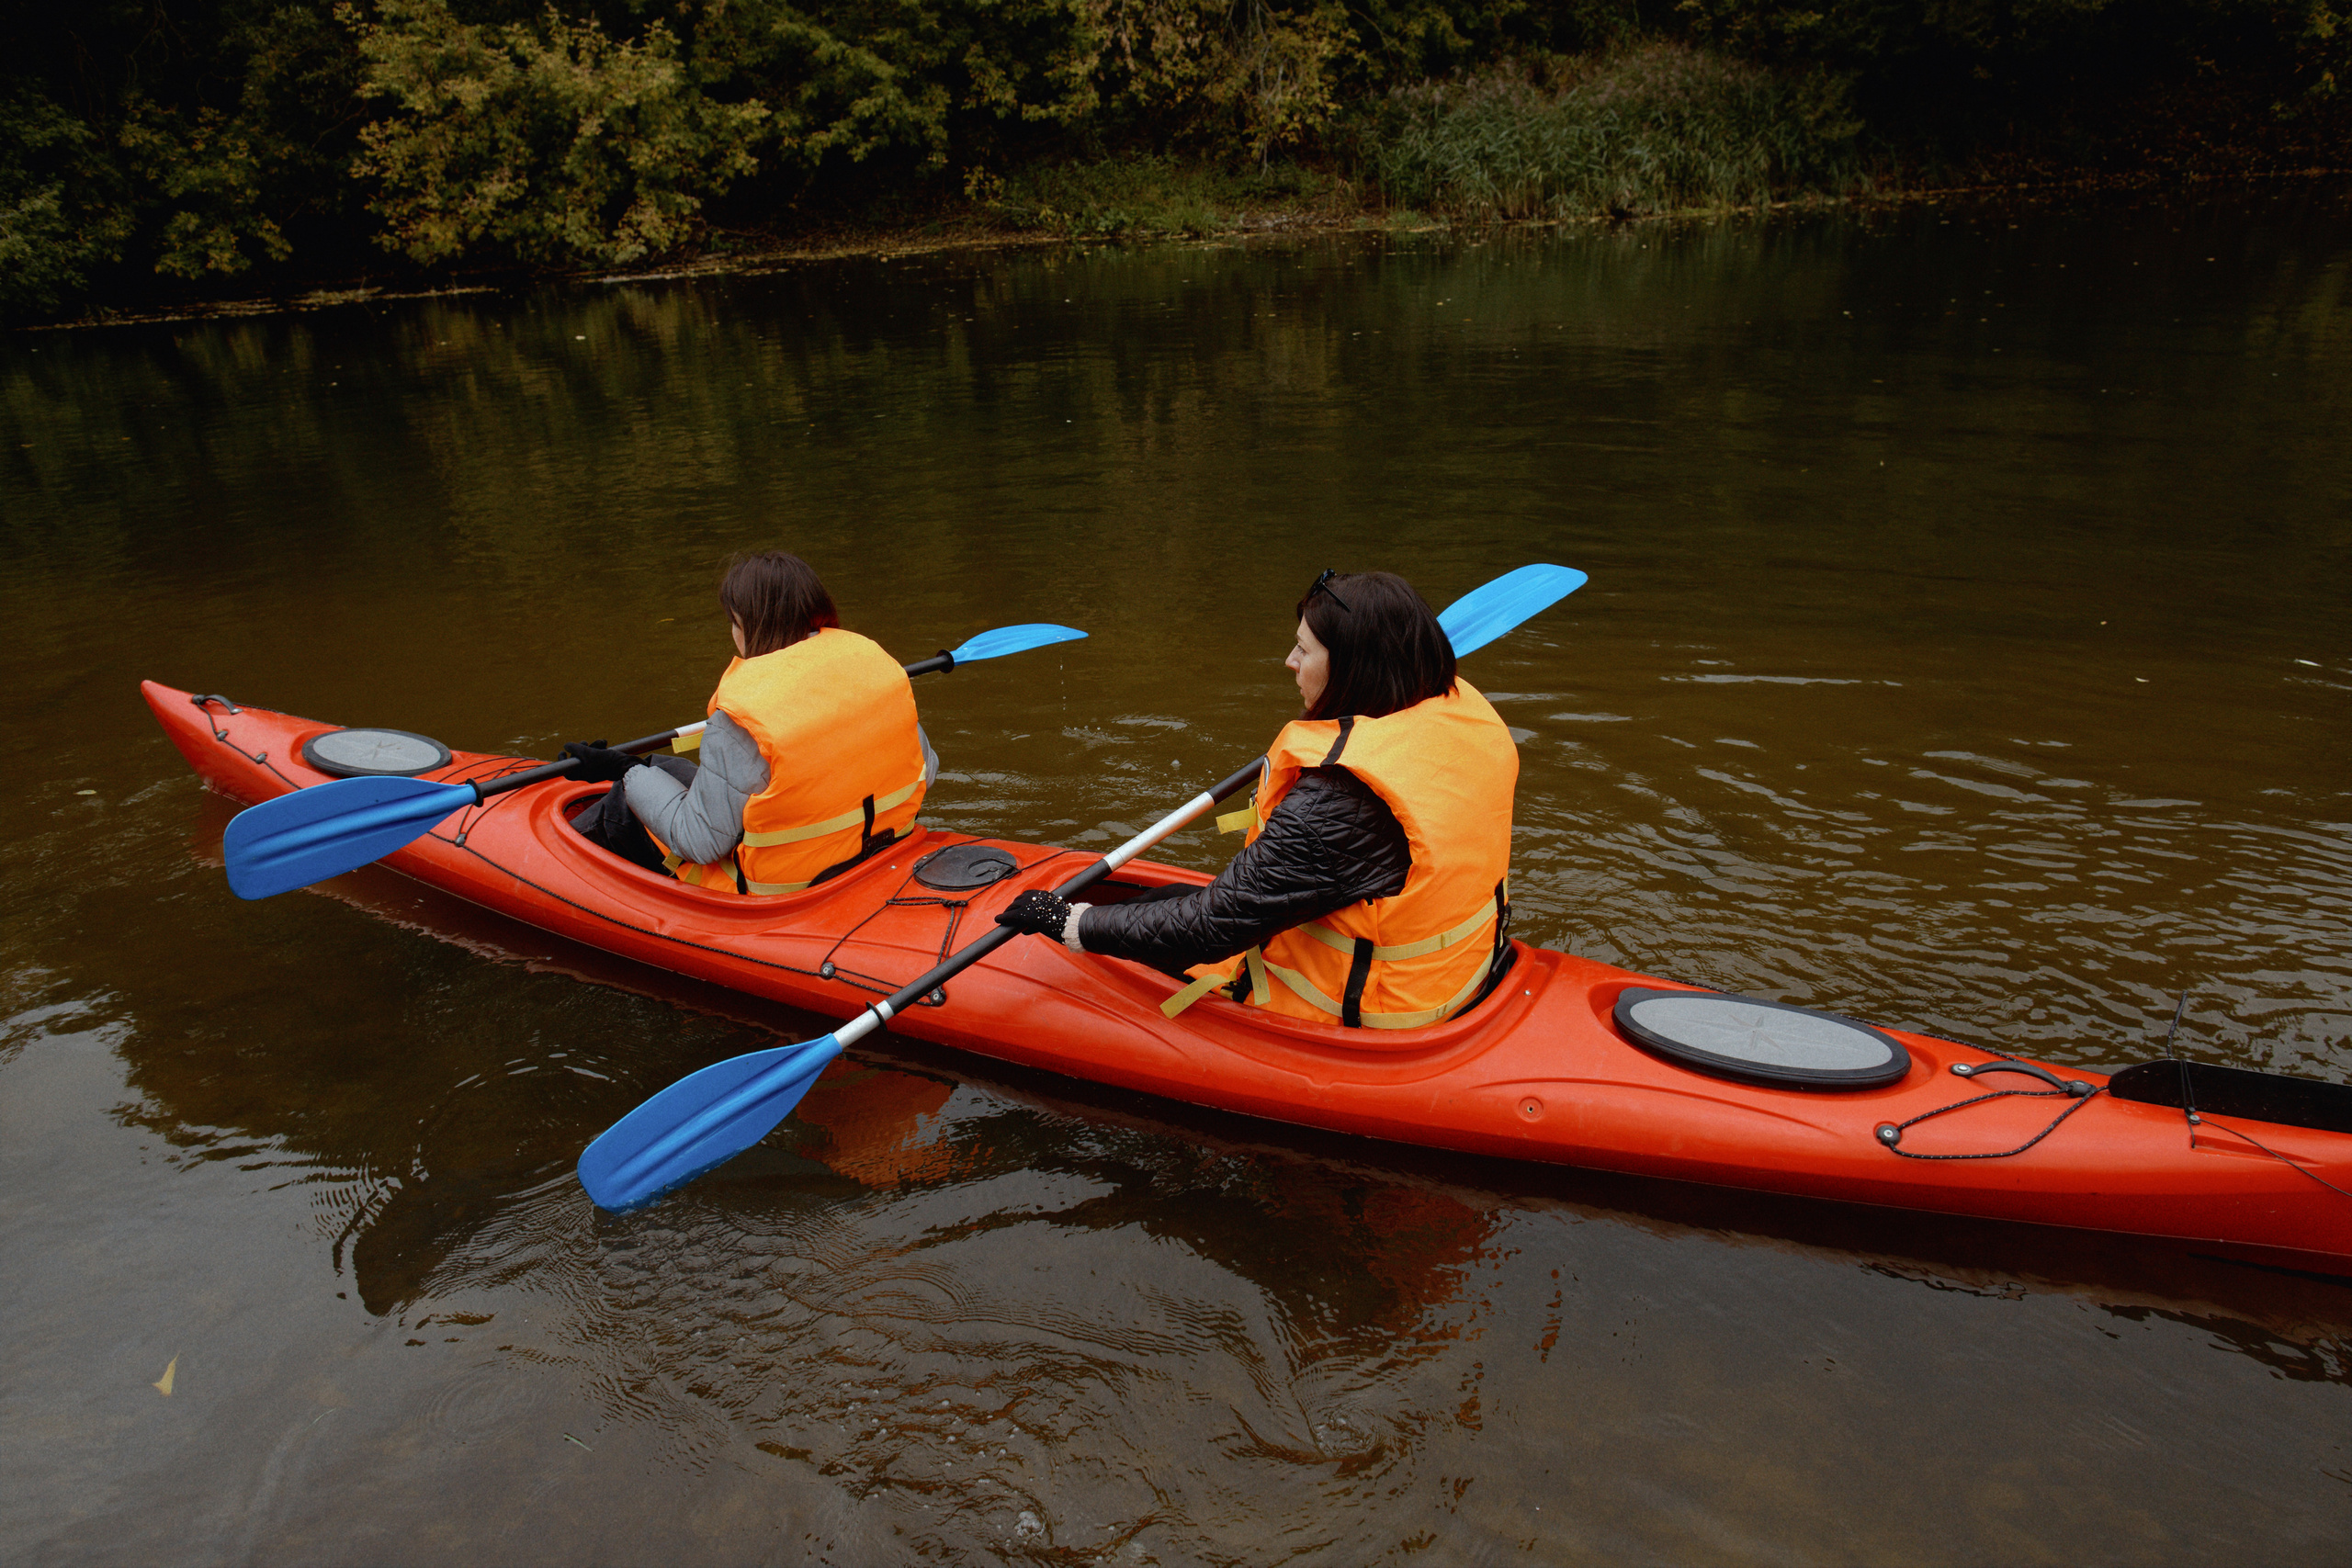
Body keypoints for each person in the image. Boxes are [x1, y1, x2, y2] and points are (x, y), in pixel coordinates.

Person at [995, 570, 1519, 1029]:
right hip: (1456, 975)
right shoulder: (1452, 709)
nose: (1290, 661)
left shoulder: (1336, 805)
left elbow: (1209, 928)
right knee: (1150, 904)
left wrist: (1068, 923)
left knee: (1110, 936)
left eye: (1305, 650)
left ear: (1355, 668)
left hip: (1363, 1017)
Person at [564, 550, 937, 894]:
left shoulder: (740, 720)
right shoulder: (878, 674)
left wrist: (624, 769)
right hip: (878, 845)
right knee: (665, 767)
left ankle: (565, 874)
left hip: (787, 888)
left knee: (622, 804)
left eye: (733, 622)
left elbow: (700, 843)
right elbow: (926, 769)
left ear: (748, 625)